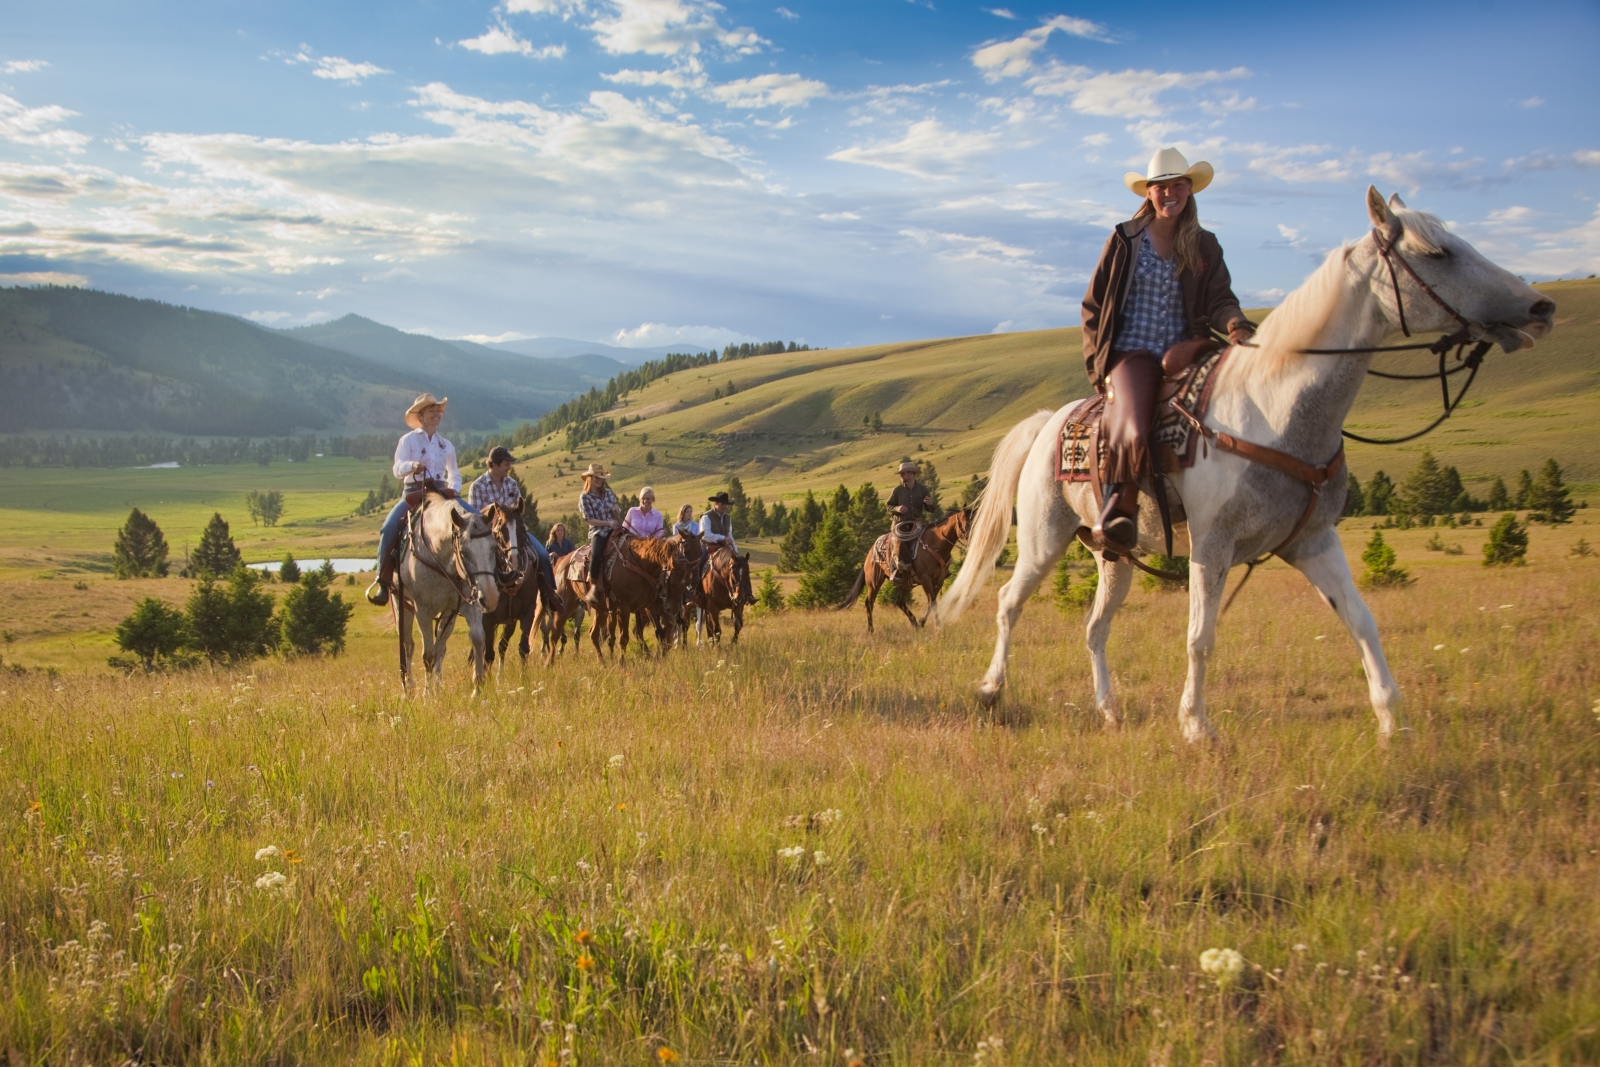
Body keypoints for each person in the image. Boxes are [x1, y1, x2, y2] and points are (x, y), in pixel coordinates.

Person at [1081, 147, 1255, 552]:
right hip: (1131, 354)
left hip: (1185, 352)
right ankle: (1118, 508)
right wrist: (1099, 366)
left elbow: (1220, 299)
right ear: (1149, 193)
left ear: (1189, 189)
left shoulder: (1204, 245)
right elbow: (1094, 304)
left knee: (1240, 400)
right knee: (1137, 425)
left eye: (1178, 185)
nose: (1170, 193)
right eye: (1161, 187)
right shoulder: (1125, 240)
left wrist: (1236, 325)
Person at [367, 392, 465, 607]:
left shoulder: (446, 445)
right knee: (389, 527)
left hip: (441, 492)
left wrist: (454, 489)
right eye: (431, 410)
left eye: (438, 410)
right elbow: (396, 468)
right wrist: (412, 466)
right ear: (420, 416)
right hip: (414, 491)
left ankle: (479, 576)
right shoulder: (408, 440)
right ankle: (383, 581)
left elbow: (454, 473)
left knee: (473, 520)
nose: (436, 414)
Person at [469, 445, 553, 592]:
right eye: (506, 464)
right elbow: (476, 519)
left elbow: (518, 510)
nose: (509, 468)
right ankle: (474, 594)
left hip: (514, 532)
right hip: (489, 535)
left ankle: (549, 595)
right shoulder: (477, 486)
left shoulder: (512, 484)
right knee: (472, 562)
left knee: (543, 555)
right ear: (494, 464)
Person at [577, 463, 620, 597]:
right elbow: (589, 520)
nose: (600, 480)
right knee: (596, 555)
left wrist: (616, 512)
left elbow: (617, 513)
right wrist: (608, 523)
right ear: (590, 478)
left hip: (615, 528)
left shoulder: (609, 493)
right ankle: (593, 586)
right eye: (597, 477)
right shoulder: (585, 497)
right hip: (598, 531)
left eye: (601, 478)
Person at [886, 460, 936, 577]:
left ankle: (936, 567)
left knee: (932, 538)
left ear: (912, 474)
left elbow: (931, 510)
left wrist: (930, 503)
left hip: (917, 524)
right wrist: (897, 508)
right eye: (901, 474)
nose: (901, 476)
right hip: (901, 523)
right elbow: (888, 506)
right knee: (901, 540)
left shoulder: (923, 490)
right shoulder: (897, 490)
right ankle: (899, 569)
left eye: (903, 473)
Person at [700, 491, 738, 556]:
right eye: (722, 504)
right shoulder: (706, 517)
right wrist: (723, 538)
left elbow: (729, 535)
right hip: (708, 547)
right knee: (700, 562)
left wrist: (735, 550)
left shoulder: (728, 518)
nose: (724, 506)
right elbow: (706, 535)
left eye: (726, 504)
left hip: (724, 547)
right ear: (715, 503)